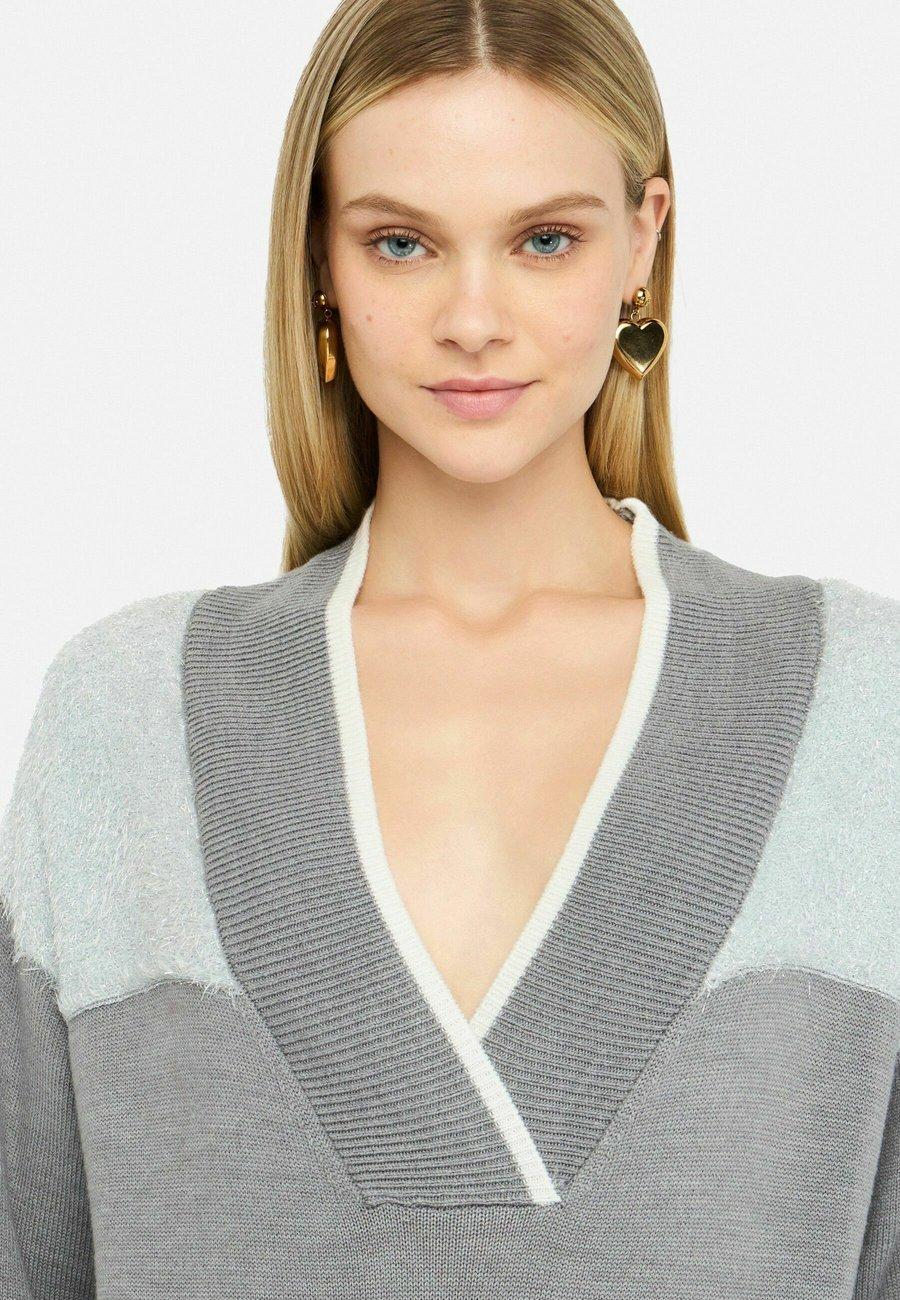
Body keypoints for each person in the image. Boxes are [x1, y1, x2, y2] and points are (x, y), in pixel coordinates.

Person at [1, 1, 897, 1296]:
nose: (473, 319)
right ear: (319, 256)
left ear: (644, 240)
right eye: (402, 243)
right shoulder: (125, 722)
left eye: (545, 240)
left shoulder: (860, 712)